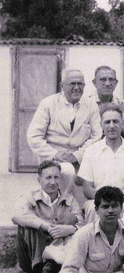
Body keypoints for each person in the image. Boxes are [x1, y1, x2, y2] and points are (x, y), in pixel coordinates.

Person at [26, 68, 102, 196]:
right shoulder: (48, 104)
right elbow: (33, 137)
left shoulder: (91, 105)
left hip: (81, 159)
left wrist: (78, 155)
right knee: (67, 170)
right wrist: (55, 154)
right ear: (62, 86)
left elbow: (96, 136)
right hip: (53, 159)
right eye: (72, 84)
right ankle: (62, 202)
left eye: (80, 84)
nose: (77, 88)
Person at [12, 160, 82, 273]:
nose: (53, 182)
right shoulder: (30, 197)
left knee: (72, 223)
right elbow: (17, 215)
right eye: (48, 177)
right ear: (39, 180)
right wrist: (47, 226)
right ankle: (43, 268)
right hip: (33, 260)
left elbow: (82, 223)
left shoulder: (69, 200)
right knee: (27, 225)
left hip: (60, 255)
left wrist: (70, 229)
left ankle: (48, 270)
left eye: (56, 177)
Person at [79, 104, 124, 221]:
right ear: (101, 125)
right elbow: (87, 187)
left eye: (116, 121)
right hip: (98, 200)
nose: (112, 126)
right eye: (107, 122)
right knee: (93, 208)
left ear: (122, 124)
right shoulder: (92, 150)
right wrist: (105, 200)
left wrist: (120, 200)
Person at [88, 66, 124, 137]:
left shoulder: (123, 105)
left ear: (116, 83)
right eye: (103, 80)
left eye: (111, 79)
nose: (107, 83)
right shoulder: (87, 104)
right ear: (94, 83)